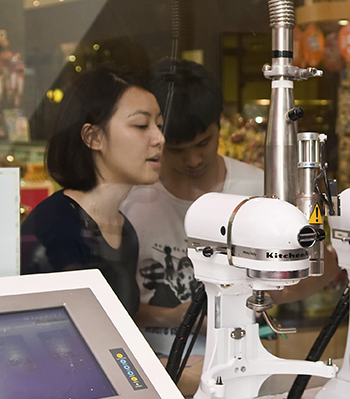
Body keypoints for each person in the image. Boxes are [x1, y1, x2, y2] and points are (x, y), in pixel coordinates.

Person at [122, 59, 337, 359]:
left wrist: (267, 293)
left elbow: (323, 268)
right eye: (177, 150)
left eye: (203, 143)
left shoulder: (261, 190)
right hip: (152, 362)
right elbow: (109, 300)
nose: (194, 160)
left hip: (241, 359)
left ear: (220, 123)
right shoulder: (131, 198)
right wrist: (172, 316)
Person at [22, 66, 164, 319]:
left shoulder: (124, 230)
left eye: (159, 125)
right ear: (93, 137)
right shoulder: (54, 227)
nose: (159, 138)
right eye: (141, 125)